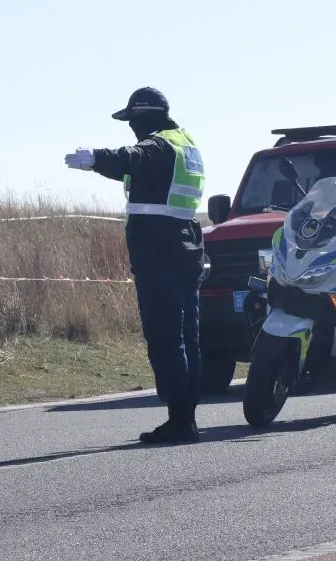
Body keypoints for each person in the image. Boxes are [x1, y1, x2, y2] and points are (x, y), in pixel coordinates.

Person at [65, 87, 207, 444]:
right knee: (187, 336)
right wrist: (101, 166)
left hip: (160, 250)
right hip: (186, 244)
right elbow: (134, 169)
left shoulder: (158, 146)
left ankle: (180, 420)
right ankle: (187, 416)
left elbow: (132, 157)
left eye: (132, 120)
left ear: (145, 117)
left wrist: (95, 157)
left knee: (165, 336)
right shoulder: (184, 144)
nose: (131, 127)